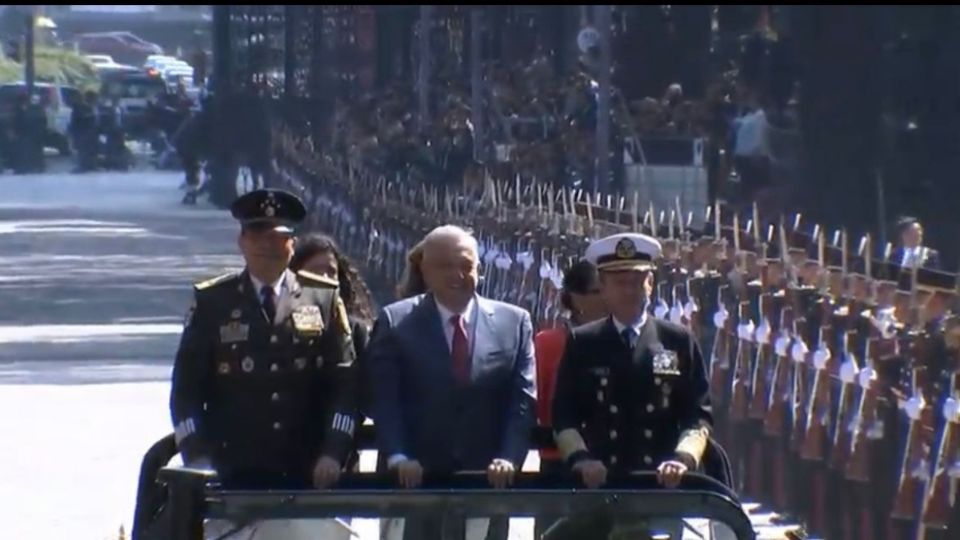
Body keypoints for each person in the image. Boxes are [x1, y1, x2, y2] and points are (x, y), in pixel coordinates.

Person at [169, 188, 358, 540]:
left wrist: (334, 451)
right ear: (242, 241)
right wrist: (198, 457)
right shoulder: (214, 302)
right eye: (257, 235)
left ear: (292, 244)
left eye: (278, 237)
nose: (267, 245)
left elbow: (344, 384)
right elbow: (186, 391)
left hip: (307, 469)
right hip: (231, 470)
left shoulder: (323, 297)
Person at [368, 224, 536, 540]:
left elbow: (523, 401)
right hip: (415, 483)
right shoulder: (396, 321)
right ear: (425, 271)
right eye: (445, 266)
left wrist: (510, 457)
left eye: (466, 266)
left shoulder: (514, 323)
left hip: (485, 482)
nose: (457, 275)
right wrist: (399, 455)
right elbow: (384, 399)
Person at [548, 232, 712, 539]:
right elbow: (564, 414)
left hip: (660, 488)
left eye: (638, 281)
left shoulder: (676, 340)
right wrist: (581, 459)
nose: (630, 290)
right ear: (604, 287)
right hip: (600, 486)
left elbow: (698, 414)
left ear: (650, 284)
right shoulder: (584, 342)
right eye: (620, 282)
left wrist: (683, 458)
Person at [533, 259, 607, 539]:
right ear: (576, 299)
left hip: (611, 466)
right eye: (597, 291)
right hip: (560, 467)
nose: (607, 298)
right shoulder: (548, 343)